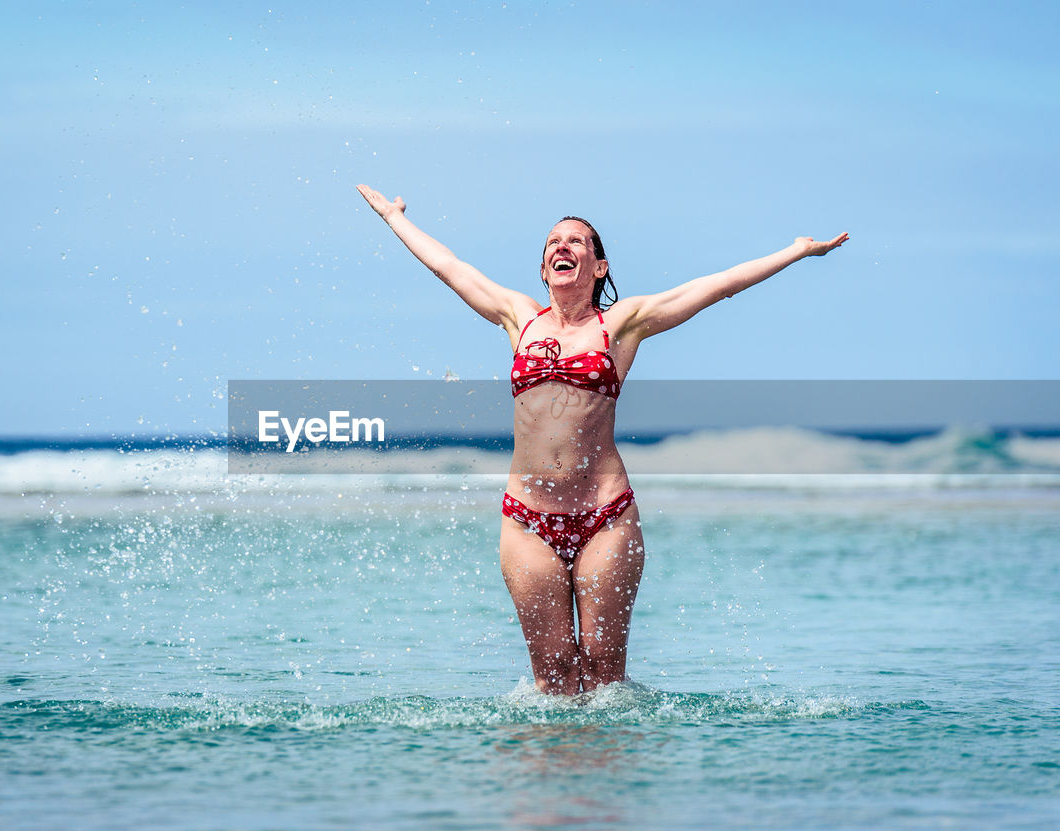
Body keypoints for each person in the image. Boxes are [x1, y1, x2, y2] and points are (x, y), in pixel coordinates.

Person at [356, 184, 848, 695]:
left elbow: (715, 287)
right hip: (528, 520)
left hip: (605, 515)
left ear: (599, 267)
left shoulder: (622, 324)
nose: (561, 247)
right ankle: (551, 773)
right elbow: (450, 267)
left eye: (576, 241)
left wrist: (794, 251)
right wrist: (394, 217)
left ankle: (609, 774)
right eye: (552, 243)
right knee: (553, 681)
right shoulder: (519, 318)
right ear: (545, 269)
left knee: (604, 678)